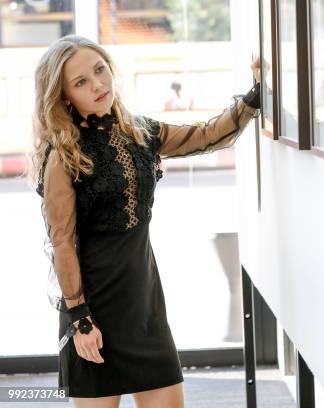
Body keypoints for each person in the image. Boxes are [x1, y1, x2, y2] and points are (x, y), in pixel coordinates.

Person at [31, 35, 262, 407]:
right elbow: (62, 242)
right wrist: (80, 319)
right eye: (81, 82)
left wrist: (256, 95)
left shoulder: (140, 131)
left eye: (100, 70)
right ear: (62, 96)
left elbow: (206, 136)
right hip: (94, 311)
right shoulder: (62, 155)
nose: (98, 85)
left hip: (144, 303)